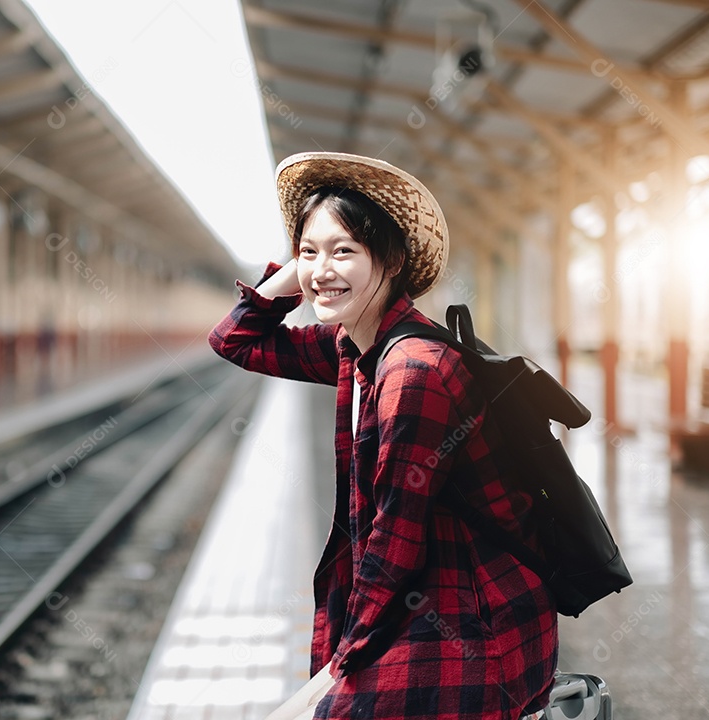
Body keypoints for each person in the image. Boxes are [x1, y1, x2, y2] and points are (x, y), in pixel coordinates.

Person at [209, 152, 558, 719]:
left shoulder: (412, 370)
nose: (321, 269)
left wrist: (343, 664)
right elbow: (235, 341)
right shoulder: (355, 348)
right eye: (309, 252)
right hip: (432, 602)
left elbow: (393, 538)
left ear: (391, 259)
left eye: (344, 250)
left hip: (478, 627)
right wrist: (309, 267)